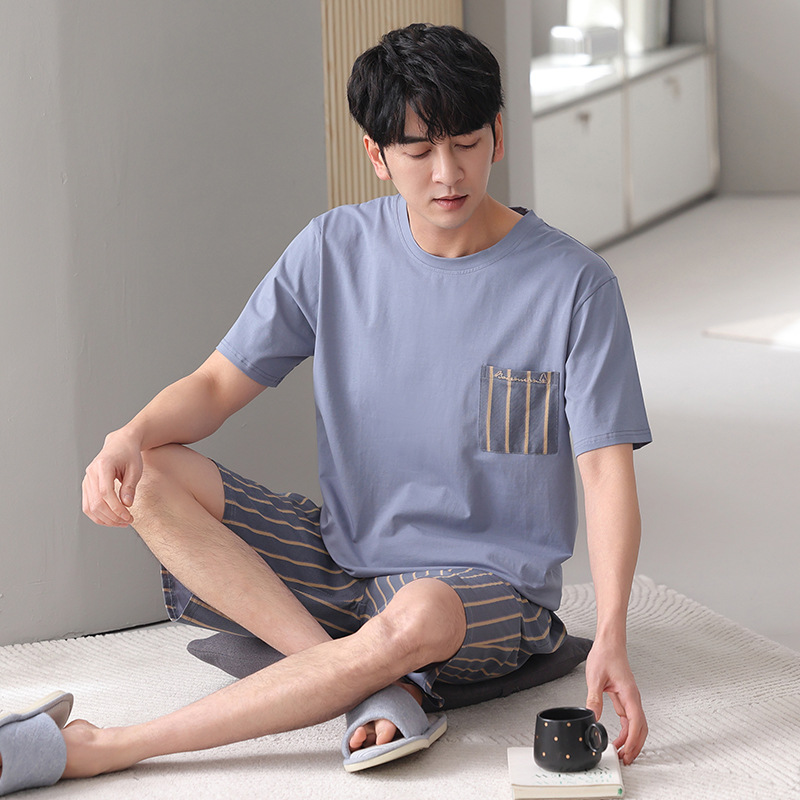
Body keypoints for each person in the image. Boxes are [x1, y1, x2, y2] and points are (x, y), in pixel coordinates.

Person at [4, 23, 652, 790]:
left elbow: (605, 474)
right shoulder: (332, 249)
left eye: (467, 144)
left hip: (481, 593)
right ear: (377, 154)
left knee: (419, 614)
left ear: (498, 136)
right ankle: (364, 680)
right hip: (342, 559)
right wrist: (128, 435)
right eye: (419, 151)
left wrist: (611, 633)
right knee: (149, 473)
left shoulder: (576, 284)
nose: (448, 173)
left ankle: (106, 746)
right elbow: (214, 387)